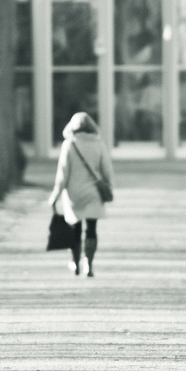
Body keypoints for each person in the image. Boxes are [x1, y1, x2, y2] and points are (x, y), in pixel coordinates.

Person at [48, 111, 113, 277]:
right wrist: (109, 187)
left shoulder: (69, 144)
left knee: (75, 228)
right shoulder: (98, 143)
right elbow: (107, 170)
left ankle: (76, 262)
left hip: (74, 194)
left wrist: (55, 194)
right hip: (94, 193)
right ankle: (89, 264)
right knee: (91, 229)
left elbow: (63, 173)